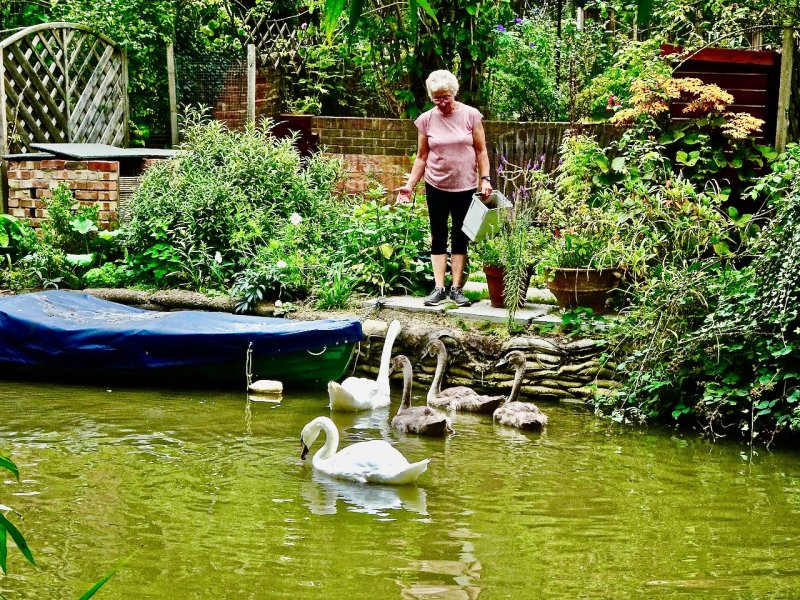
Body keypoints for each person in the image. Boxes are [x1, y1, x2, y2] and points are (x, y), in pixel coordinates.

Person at [395, 69, 493, 307]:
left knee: (460, 236)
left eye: (445, 97)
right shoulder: (426, 120)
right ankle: (439, 288)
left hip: (465, 186)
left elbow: (481, 151)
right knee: (438, 235)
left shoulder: (471, 116)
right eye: (436, 98)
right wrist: (409, 186)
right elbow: (421, 157)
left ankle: (457, 289)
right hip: (436, 185)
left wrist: (486, 179)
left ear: (454, 92)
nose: (441, 103)